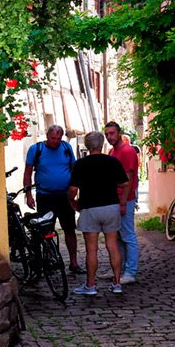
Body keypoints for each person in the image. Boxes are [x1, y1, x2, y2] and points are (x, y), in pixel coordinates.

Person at [68, 130, 128, 295]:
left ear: (87, 146)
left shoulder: (80, 164)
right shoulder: (113, 161)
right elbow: (125, 183)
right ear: (102, 145)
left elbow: (73, 189)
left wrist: (72, 202)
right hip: (110, 206)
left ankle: (91, 285)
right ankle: (117, 283)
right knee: (113, 245)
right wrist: (122, 201)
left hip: (90, 207)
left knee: (92, 249)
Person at [23, 125, 82, 274]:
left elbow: (75, 170)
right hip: (45, 195)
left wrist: (75, 191)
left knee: (69, 229)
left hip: (64, 196)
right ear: (47, 136)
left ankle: (74, 263)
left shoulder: (66, 148)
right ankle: (48, 260)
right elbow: (28, 173)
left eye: (58, 138)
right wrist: (28, 195)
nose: (55, 141)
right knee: (46, 230)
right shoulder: (36, 149)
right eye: (52, 138)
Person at [106, 121, 140, 284]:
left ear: (119, 133)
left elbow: (129, 178)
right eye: (106, 134)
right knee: (118, 236)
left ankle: (131, 271)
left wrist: (123, 202)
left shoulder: (127, 151)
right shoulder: (113, 151)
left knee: (128, 235)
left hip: (125, 198)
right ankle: (120, 267)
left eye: (112, 133)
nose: (109, 137)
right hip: (116, 198)